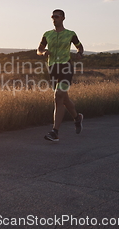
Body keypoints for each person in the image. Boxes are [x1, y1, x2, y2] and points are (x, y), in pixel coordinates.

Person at [37, 9, 84, 142]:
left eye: (56, 16)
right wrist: (43, 52)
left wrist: (80, 53)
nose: (54, 18)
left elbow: (80, 47)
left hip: (66, 67)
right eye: (52, 16)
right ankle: (77, 117)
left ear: (63, 18)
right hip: (52, 68)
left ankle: (55, 132)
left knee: (58, 96)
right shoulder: (47, 34)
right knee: (63, 98)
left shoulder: (70, 34)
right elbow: (39, 49)